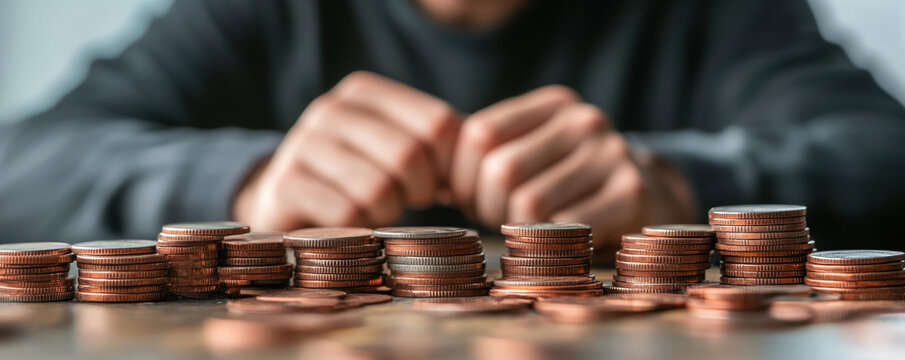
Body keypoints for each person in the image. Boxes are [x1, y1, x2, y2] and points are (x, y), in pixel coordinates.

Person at [1, 0, 904, 256]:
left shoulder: (717, 15)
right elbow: (23, 164)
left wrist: (679, 188)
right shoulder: (255, 14)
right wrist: (245, 187)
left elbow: (884, 155)